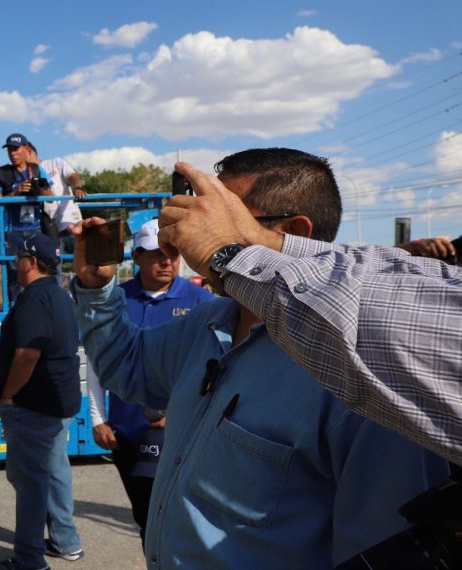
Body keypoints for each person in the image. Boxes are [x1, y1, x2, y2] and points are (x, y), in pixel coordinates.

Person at [71, 148, 449, 568]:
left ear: (292, 231)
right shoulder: (208, 322)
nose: (189, 231)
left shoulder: (364, 380)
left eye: (216, 214)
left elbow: (380, 551)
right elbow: (128, 367)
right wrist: (96, 289)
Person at [158, 161, 462, 466]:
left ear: (295, 228)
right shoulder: (212, 320)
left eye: (223, 213)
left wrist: (223, 254)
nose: (203, 220)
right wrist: (265, 243)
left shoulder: (372, 389)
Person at [86, 219, 215, 542]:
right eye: (156, 253)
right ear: (137, 256)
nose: (167, 261)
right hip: (127, 433)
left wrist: (181, 411)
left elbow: (217, 370)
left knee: (180, 521)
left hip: (184, 434)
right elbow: (96, 361)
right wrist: (98, 418)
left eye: (173, 253)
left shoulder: (202, 302)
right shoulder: (116, 299)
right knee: (146, 519)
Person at [0, 234, 84, 570]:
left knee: (30, 481)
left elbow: (27, 354)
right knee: (54, 471)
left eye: (18, 257)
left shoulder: (33, 299)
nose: (15, 262)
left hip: (34, 404)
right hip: (57, 402)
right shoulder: (59, 294)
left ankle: (29, 559)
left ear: (30, 262)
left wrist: (8, 394)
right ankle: (65, 542)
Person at [0, 134, 57, 300]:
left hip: (35, 229)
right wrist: (17, 192)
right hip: (12, 232)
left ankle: (41, 303)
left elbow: (51, 196)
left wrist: (38, 189)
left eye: (16, 149)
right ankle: (16, 307)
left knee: (40, 269)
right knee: (14, 274)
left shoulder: (36, 170)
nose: (12, 153)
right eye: (10, 150)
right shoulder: (2, 173)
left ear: (26, 149)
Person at [27, 145, 85, 252]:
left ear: (29, 151)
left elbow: (72, 176)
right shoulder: (24, 173)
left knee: (77, 254)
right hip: (45, 227)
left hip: (68, 221)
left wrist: (77, 188)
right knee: (52, 259)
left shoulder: (55, 162)